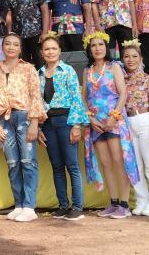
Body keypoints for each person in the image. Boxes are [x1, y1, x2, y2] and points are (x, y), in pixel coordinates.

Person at [0, 34, 46, 222]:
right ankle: (19, 204)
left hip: (24, 117)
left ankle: (29, 206)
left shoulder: (28, 68)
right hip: (4, 120)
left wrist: (34, 122)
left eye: (15, 44)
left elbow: (36, 95)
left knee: (28, 161)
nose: (11, 47)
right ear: (2, 47)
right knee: (12, 163)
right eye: (7, 44)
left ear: (20, 48)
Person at [82, 31, 140, 219]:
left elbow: (123, 94)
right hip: (96, 124)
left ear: (106, 47)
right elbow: (84, 98)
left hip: (114, 120)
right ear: (89, 49)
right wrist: (90, 119)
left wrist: (114, 117)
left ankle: (124, 204)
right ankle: (113, 202)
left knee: (118, 161)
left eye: (100, 45)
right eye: (93, 45)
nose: (97, 48)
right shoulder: (87, 71)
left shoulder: (114, 67)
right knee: (106, 163)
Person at [38, 34, 89, 221]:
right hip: (48, 123)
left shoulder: (68, 70)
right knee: (57, 166)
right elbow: (37, 101)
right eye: (47, 49)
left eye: (54, 48)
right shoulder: (39, 73)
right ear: (42, 53)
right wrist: (39, 127)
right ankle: (62, 205)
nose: (50, 52)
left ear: (60, 51)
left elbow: (76, 98)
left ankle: (77, 207)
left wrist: (76, 125)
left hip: (66, 120)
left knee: (72, 165)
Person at [120, 40, 149, 216]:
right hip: (128, 122)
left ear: (141, 58)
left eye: (134, 56)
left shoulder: (148, 79)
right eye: (126, 56)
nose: (130, 60)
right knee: (135, 165)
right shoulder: (121, 80)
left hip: (145, 119)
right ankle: (141, 200)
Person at [6, 0, 49, 68]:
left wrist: (44, 32)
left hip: (37, 35)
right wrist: (9, 33)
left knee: (41, 65)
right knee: (22, 66)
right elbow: (9, 16)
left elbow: (45, 11)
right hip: (19, 36)